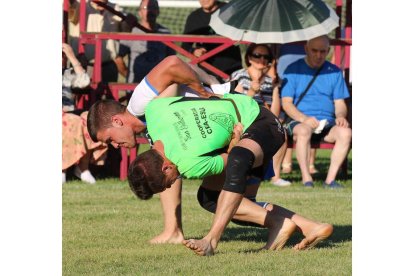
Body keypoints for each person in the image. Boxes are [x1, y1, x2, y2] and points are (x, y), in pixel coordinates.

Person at [127, 94, 333, 255]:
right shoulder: (154, 111)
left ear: (165, 168)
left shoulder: (188, 166)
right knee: (210, 198)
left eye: (166, 184)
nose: (171, 186)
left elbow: (230, 161)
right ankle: (301, 226)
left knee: (238, 158)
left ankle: (211, 240)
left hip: (264, 123)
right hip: (243, 115)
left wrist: (233, 144)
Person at [87, 55, 232, 244]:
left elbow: (173, 62)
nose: (115, 145)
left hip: (236, 106)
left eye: (110, 139)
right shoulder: (151, 126)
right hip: (227, 125)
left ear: (116, 121)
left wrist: (209, 87)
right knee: (211, 198)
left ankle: (280, 221)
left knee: (217, 199)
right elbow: (169, 171)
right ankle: (173, 230)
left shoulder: (140, 104)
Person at [281, 35, 351, 188]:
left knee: (346, 133)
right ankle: (307, 179)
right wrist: (304, 118)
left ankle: (330, 180)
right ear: (306, 49)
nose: (319, 55)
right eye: (314, 51)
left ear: (328, 51)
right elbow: (286, 103)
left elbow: (339, 103)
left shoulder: (334, 72)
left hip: (327, 123)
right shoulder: (293, 70)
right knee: (304, 130)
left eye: (323, 51)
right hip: (299, 121)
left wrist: (340, 116)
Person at [230, 43, 290, 187]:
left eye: (266, 57)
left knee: (281, 131)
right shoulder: (239, 76)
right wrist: (251, 91)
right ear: (249, 58)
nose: (262, 59)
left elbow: (274, 113)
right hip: (242, 119)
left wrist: (275, 87)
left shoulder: (270, 81)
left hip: (263, 120)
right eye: (257, 55)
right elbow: (234, 105)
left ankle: (275, 177)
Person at [62, 43, 107, 184]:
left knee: (90, 119)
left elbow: (84, 82)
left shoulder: (67, 73)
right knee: (71, 122)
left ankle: (82, 168)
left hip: (69, 114)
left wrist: (72, 57)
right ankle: (62, 169)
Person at [114, 0, 175, 84]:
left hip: (159, 86)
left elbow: (172, 59)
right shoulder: (132, 32)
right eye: (146, 8)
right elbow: (118, 58)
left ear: (158, 11)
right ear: (139, 12)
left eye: (153, 8)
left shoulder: (166, 33)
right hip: (136, 86)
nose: (150, 11)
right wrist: (128, 76)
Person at [182, 0, 242, 79]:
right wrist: (194, 51)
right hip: (206, 73)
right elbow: (185, 45)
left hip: (233, 68)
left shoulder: (230, 9)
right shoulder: (194, 17)